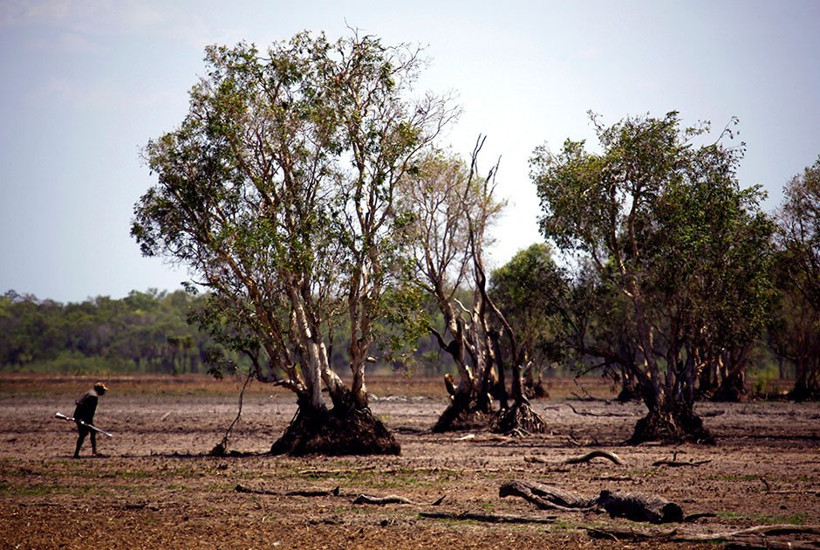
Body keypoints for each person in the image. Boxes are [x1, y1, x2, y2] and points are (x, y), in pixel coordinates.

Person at [73, 382, 108, 458]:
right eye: (103, 390)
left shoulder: (89, 393)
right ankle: (76, 454)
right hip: (83, 417)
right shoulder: (93, 397)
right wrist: (88, 421)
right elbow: (89, 411)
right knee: (83, 435)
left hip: (80, 416)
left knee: (92, 432)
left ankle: (94, 451)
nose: (104, 392)